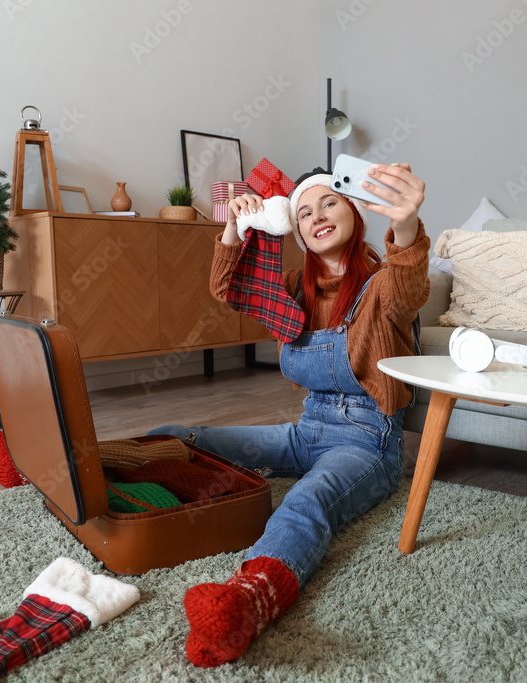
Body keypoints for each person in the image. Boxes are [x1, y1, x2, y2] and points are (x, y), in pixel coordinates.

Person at [148, 163, 429, 668]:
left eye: (329, 203)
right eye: (304, 212)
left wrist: (406, 226)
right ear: (294, 229)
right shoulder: (294, 288)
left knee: (307, 499)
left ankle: (249, 597)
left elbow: (411, 286)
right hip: (308, 428)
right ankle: (101, 470)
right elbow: (227, 288)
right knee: (185, 437)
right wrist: (235, 227)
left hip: (365, 443)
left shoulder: (383, 287)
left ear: (354, 212)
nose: (317, 216)